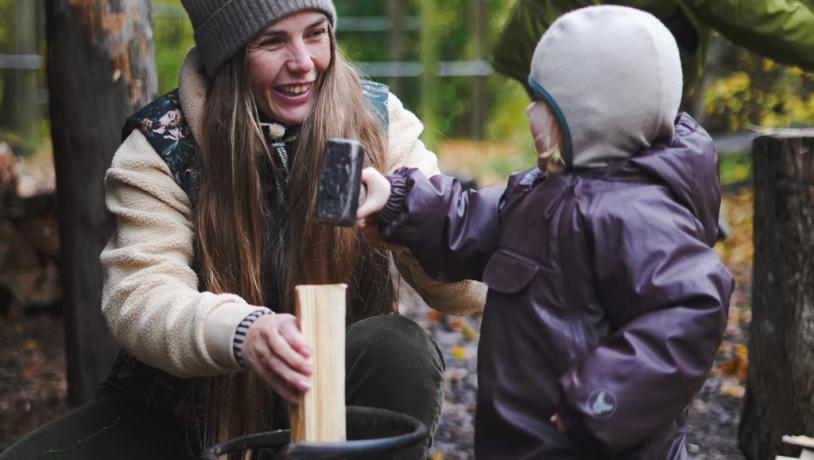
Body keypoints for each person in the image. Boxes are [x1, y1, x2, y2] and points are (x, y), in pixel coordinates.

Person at [0, 1, 486, 459]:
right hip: (188, 411)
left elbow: (467, 292)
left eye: (316, 35)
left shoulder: (379, 123)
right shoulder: (161, 147)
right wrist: (242, 333)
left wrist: (406, 217)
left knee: (402, 350)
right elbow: (140, 294)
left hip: (336, 396)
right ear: (229, 55)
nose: (303, 63)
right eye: (272, 42)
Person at [357, 6, 734, 459]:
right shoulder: (543, 194)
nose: (530, 113)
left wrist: (601, 399)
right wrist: (397, 200)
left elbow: (689, 310)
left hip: (596, 440)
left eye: (544, 104)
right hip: (529, 441)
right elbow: (465, 219)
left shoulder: (639, 214)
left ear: (597, 116)